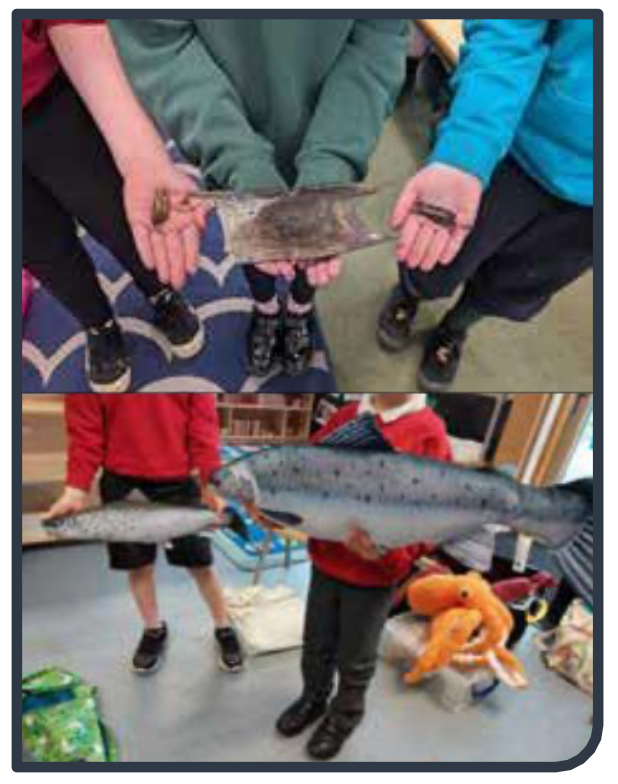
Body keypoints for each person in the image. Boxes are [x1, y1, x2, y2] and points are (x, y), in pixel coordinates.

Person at [110, 19, 408, 377]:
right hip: (229, 124)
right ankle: (266, 310)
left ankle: (298, 312)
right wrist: (239, 163)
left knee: (315, 251)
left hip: (336, 117)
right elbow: (156, 38)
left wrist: (332, 165)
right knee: (257, 245)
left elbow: (381, 32)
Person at [378, 19, 593, 390]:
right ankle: (408, 295)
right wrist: (466, 150)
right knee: (436, 256)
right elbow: (510, 26)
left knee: (517, 285)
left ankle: (454, 329)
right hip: (516, 143)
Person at [22, 20, 207, 392]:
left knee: (114, 211)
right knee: (39, 248)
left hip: (42, 92)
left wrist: (142, 155)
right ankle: (98, 324)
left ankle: (159, 292)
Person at [275, 394, 452, 760]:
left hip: (375, 577)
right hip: (326, 562)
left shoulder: (429, 433)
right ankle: (313, 698)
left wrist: (391, 553)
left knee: (355, 657)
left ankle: (345, 716)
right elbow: (303, 469)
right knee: (316, 643)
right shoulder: (347, 415)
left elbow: (437, 517)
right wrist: (277, 508)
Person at [43, 394, 244, 675]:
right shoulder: (88, 367)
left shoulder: (191, 371)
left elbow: (204, 428)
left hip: (177, 483)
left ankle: (224, 626)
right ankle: (153, 629)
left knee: (200, 563)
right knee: (139, 567)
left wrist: (211, 484)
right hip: (121, 482)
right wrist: (75, 488)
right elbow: (85, 432)